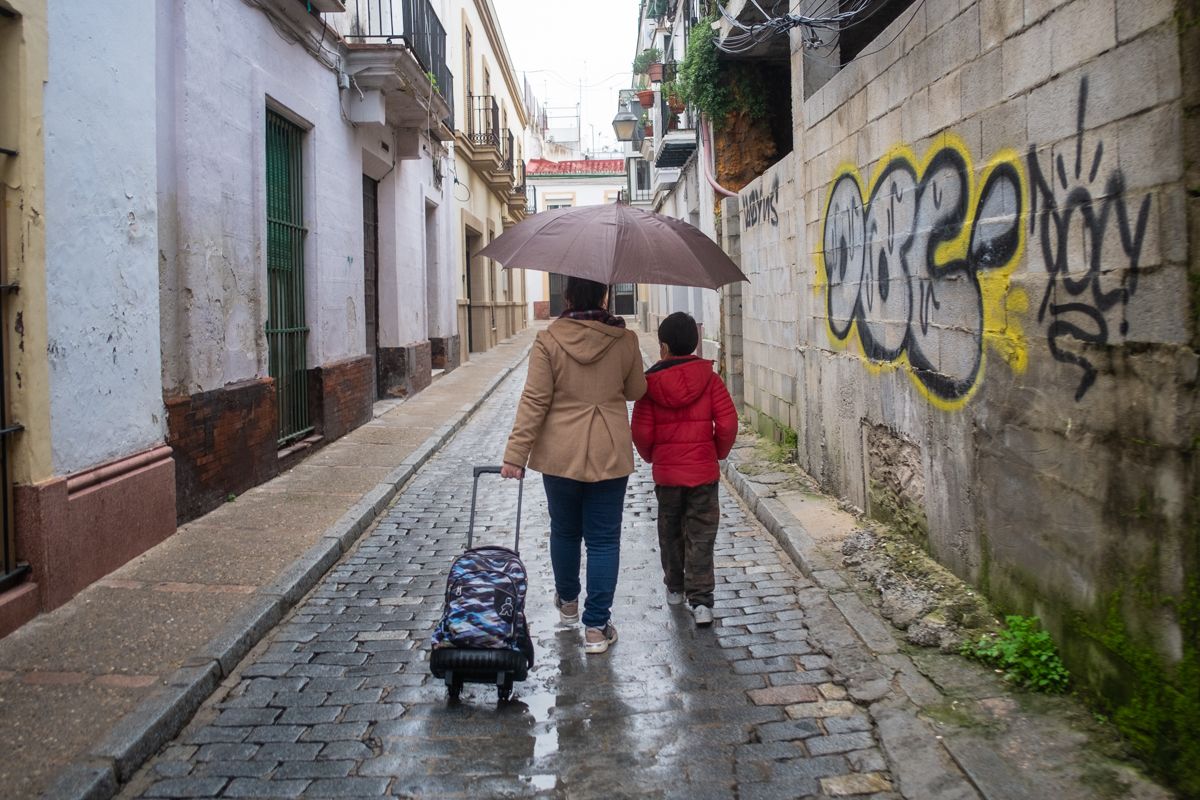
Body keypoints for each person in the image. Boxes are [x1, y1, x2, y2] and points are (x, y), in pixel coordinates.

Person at [500, 277, 647, 654]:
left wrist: (516, 455)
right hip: (609, 451)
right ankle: (596, 628)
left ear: (567, 296)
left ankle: (568, 604)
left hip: (559, 452)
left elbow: (534, 399)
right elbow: (635, 391)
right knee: (603, 539)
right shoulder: (625, 340)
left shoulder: (549, 339)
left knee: (564, 531)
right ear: (605, 295)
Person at [631, 311, 738, 627]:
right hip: (703, 474)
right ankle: (702, 601)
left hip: (668, 476)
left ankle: (675, 587)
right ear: (694, 343)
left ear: (663, 346)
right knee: (701, 535)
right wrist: (717, 451)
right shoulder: (710, 380)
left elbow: (640, 431)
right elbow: (729, 423)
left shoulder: (649, 386)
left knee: (670, 531)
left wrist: (652, 457)